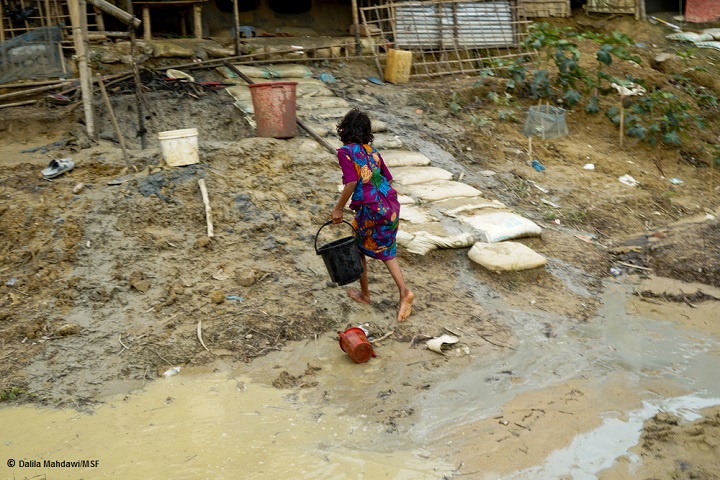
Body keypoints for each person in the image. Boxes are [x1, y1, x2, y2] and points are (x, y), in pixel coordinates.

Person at [331, 108, 414, 322]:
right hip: (390, 206)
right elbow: (388, 178)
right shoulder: (373, 152)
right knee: (386, 249)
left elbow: (351, 182)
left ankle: (370, 294)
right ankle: (401, 292)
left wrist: (339, 208)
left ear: (345, 130)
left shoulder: (345, 152)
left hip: (371, 209)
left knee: (359, 247)